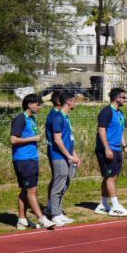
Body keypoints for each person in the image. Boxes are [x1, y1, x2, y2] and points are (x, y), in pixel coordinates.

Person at [9, 93, 50, 230]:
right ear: (29, 105)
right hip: (23, 159)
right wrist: (32, 139)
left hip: (31, 158)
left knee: (25, 190)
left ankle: (22, 220)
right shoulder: (20, 119)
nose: (40, 107)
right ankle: (42, 218)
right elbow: (13, 140)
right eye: (38, 104)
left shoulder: (32, 119)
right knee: (32, 190)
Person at [44, 89, 81, 227]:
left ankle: (59, 211)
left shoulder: (66, 116)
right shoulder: (57, 117)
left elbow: (67, 138)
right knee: (58, 184)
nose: (76, 103)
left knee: (65, 183)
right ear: (69, 102)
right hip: (59, 155)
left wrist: (74, 154)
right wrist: (68, 155)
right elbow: (57, 140)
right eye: (75, 101)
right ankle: (54, 214)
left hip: (67, 154)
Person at [94, 88, 127, 216]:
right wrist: (106, 148)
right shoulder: (106, 112)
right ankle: (115, 206)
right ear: (117, 98)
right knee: (111, 177)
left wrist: (125, 147)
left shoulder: (120, 114)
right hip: (107, 149)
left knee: (111, 177)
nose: (125, 100)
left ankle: (103, 204)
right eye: (123, 97)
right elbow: (101, 130)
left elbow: (120, 132)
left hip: (117, 149)